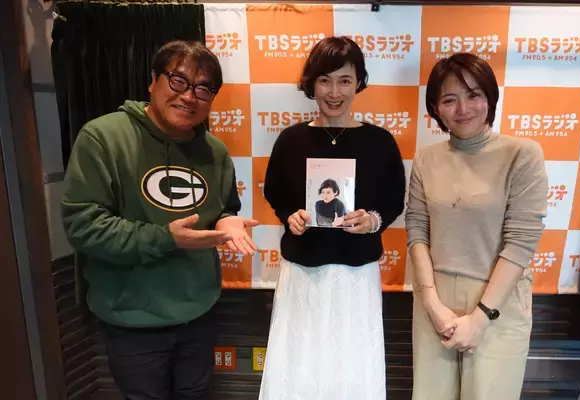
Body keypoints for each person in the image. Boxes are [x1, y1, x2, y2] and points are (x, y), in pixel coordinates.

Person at [61, 40, 258, 400]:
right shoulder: (104, 137)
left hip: (198, 312)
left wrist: (227, 222)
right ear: (153, 80)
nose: (189, 96)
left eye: (203, 89)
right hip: (133, 318)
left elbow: (224, 208)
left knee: (195, 395)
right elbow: (83, 226)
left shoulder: (215, 151)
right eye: (178, 81)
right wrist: (166, 238)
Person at [258, 36, 406, 400]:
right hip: (302, 273)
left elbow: (393, 200)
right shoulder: (290, 140)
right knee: (299, 363)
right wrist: (289, 217)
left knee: (352, 365)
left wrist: (373, 221)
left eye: (344, 80)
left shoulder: (380, 141)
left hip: (356, 276)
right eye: (325, 80)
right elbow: (275, 193)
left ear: (359, 83)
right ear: (311, 84)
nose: (334, 92)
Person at [406, 52, 548, 400]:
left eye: (473, 95)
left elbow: (520, 241)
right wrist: (432, 304)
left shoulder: (522, 154)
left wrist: (481, 318)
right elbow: (417, 228)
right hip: (434, 298)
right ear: (436, 108)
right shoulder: (426, 157)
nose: (463, 108)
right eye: (449, 99)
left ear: (490, 98)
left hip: (497, 302)